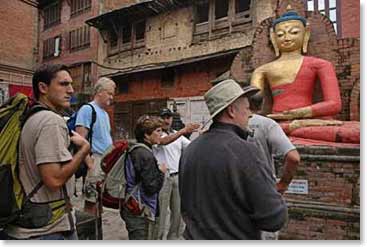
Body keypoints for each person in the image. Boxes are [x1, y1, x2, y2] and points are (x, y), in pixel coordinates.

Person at [179, 79, 288, 240]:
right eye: (247, 108)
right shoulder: (246, 151)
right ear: (231, 111)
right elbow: (273, 218)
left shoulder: (191, 149)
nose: (250, 114)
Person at [4, 64, 90, 240]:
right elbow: (54, 179)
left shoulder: (30, 116)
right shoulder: (51, 121)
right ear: (43, 88)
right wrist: (84, 149)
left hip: (26, 224)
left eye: (71, 84)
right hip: (48, 230)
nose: (71, 90)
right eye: (63, 84)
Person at [250, 7, 359, 144]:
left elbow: (334, 105)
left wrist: (299, 113)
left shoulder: (320, 64)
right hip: (277, 121)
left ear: (305, 34)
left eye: (294, 32)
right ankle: (286, 129)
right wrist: (252, 100)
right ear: (273, 37)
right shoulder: (262, 70)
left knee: (355, 133)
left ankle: (288, 130)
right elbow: (252, 104)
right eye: (280, 34)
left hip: (308, 122)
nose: (287, 38)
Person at [247, 91, 300, 240]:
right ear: (262, 104)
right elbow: (293, 157)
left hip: (236, 191)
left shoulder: (231, 123)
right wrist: (283, 184)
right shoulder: (267, 124)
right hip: (264, 189)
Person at [121, 115, 167, 240]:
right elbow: (151, 187)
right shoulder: (144, 154)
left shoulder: (136, 149)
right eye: (158, 131)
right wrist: (161, 172)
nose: (161, 134)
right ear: (146, 135)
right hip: (140, 210)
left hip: (133, 206)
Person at [75, 77, 116, 214]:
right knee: (91, 203)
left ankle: (97, 232)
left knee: (100, 203)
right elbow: (80, 139)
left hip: (105, 162)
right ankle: (89, 233)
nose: (111, 97)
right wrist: (90, 163)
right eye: (109, 93)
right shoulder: (87, 109)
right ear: (100, 92)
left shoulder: (104, 113)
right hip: (95, 160)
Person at [153, 108, 191, 240]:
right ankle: (157, 239)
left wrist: (205, 135)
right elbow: (164, 142)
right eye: (163, 117)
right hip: (163, 177)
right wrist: (183, 131)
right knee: (161, 212)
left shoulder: (177, 134)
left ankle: (173, 239)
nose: (166, 120)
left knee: (178, 212)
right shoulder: (157, 135)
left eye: (168, 117)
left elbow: (191, 146)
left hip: (177, 176)